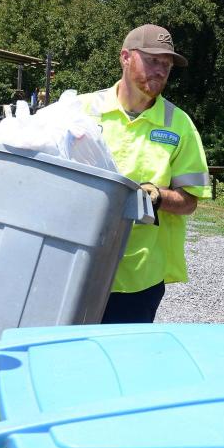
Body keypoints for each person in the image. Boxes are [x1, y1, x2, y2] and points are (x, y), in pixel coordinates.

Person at [83, 24, 211, 323]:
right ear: (125, 57)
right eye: (153, 60)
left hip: (139, 278)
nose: (161, 70)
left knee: (123, 363)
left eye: (166, 65)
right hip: (78, 265)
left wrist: (155, 196)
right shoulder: (82, 111)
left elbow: (190, 201)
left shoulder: (178, 124)